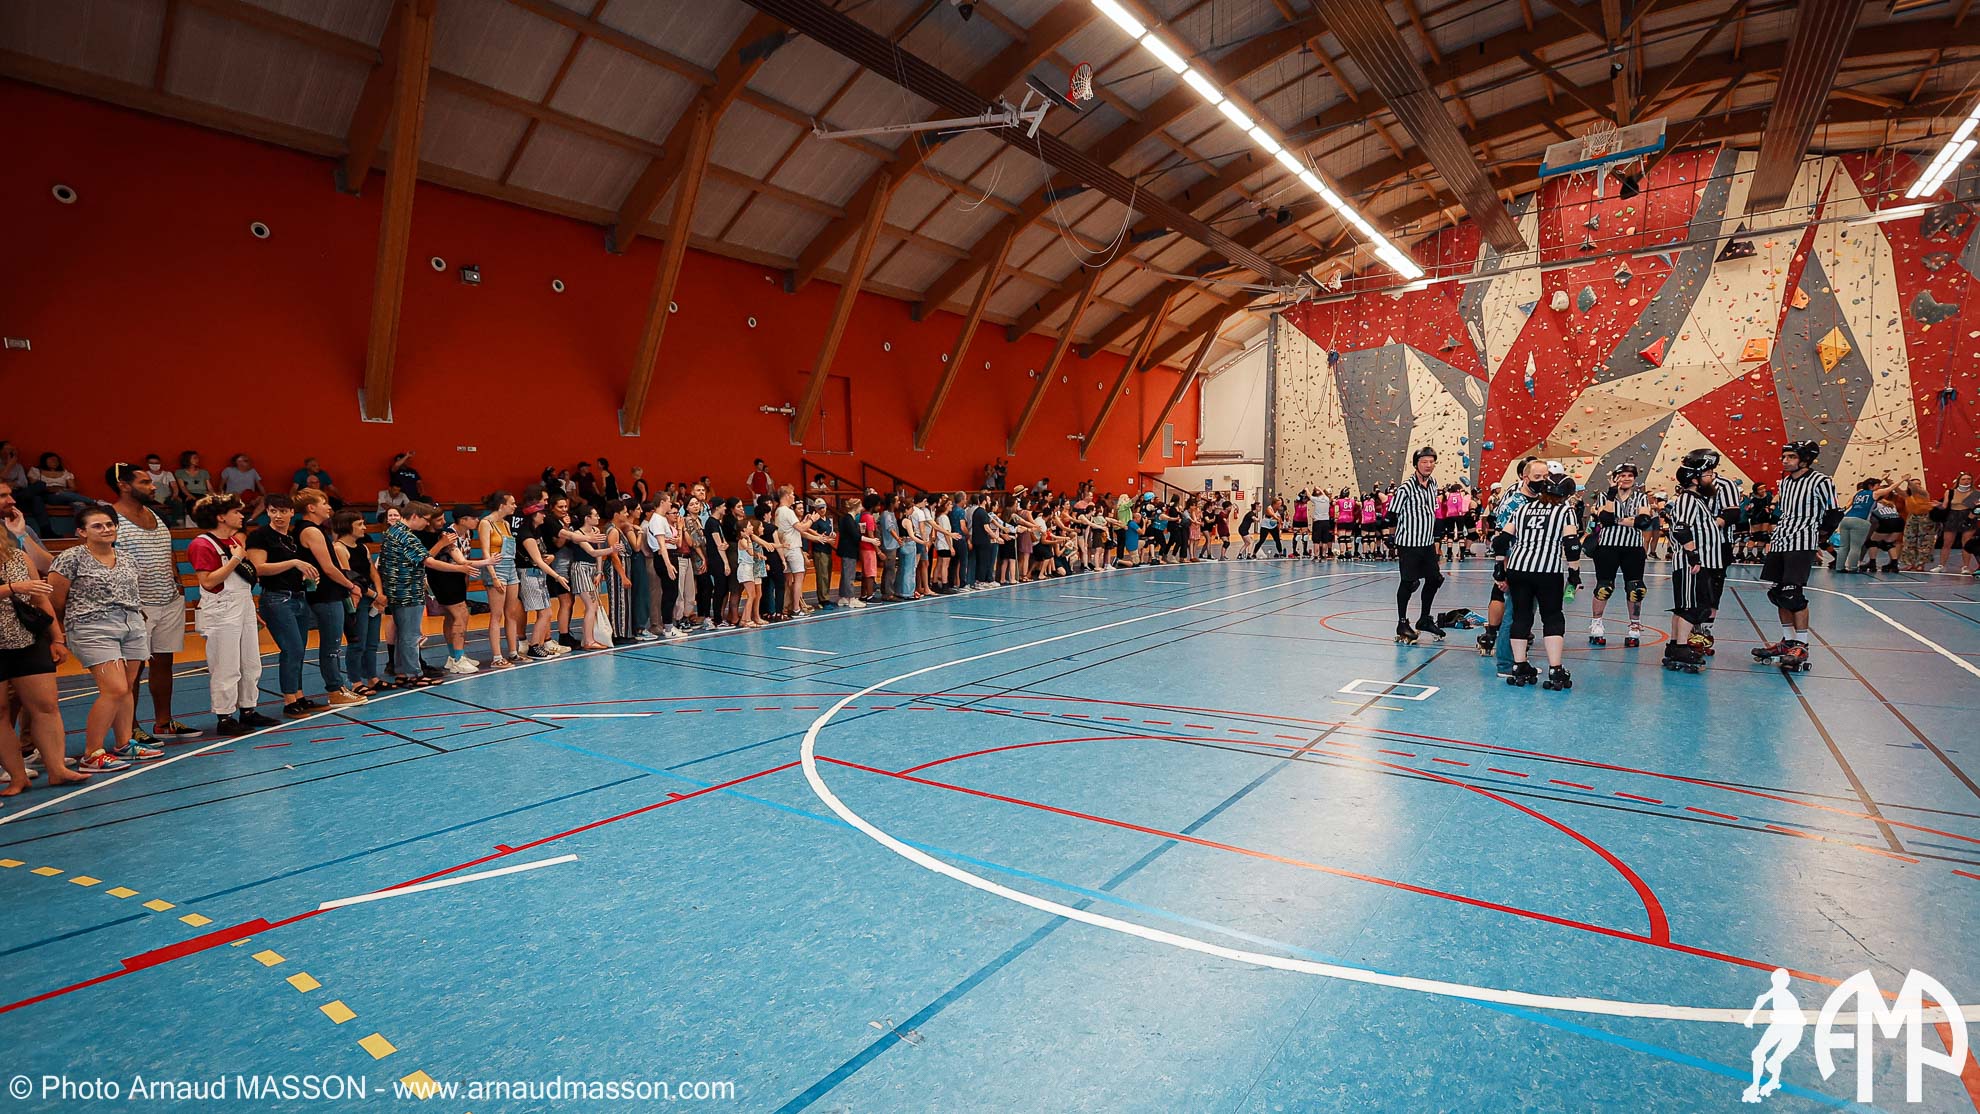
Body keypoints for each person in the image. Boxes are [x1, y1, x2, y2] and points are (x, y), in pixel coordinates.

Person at [48, 505, 165, 768]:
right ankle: (92, 754)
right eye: (97, 526)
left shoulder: (127, 558)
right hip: (92, 628)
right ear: (82, 532)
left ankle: (124, 743)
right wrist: (57, 635)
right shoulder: (70, 558)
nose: (106, 529)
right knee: (114, 689)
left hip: (132, 625)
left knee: (127, 687)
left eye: (110, 524)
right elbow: (55, 601)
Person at [107, 463, 203, 743]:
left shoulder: (156, 515)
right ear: (124, 485)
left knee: (163, 662)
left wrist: (177, 582)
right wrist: (129, 604)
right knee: (133, 670)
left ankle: (164, 722)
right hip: (136, 607)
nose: (153, 487)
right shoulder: (111, 519)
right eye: (145, 482)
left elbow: (168, 551)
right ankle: (130, 728)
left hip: (168, 601)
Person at [0, 518, 89, 796]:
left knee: (46, 706)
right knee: (0, 712)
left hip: (27, 639)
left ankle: (57, 769)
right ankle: (17, 776)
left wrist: (57, 638)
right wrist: (13, 588)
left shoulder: (18, 557)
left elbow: (40, 600)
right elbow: (23, 590)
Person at [187, 494, 277, 734]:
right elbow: (208, 581)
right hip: (221, 608)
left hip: (242, 604)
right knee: (225, 664)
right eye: (236, 512)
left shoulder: (234, 541)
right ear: (220, 517)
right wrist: (235, 559)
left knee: (250, 661)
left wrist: (251, 609)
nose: (241, 515)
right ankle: (225, 716)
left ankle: (248, 709)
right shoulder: (202, 544)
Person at [1752, 441, 1836, 672]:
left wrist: (1820, 537)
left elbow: (1833, 511)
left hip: (1802, 542)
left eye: (1791, 457)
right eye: (1784, 456)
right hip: (1781, 540)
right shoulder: (1786, 482)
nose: (1785, 461)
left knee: (1793, 594)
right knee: (1778, 594)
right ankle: (1788, 642)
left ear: (1805, 459)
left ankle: (1801, 644)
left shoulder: (1821, 481)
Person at [1494, 460, 1578, 691]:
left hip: (1518, 568)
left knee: (1521, 616)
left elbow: (1501, 541)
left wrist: (1499, 568)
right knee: (1552, 618)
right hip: (1547, 570)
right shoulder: (1564, 511)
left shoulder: (1522, 510)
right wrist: (1574, 573)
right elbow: (1571, 544)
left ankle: (1519, 665)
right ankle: (1555, 669)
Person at [245, 494, 320, 716]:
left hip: (298, 597)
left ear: (291, 512)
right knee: (291, 648)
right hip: (276, 599)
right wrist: (294, 563)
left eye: (283, 511)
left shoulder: (292, 538)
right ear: (267, 512)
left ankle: (299, 695)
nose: (278, 516)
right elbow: (258, 568)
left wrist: (308, 576)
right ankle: (289, 700)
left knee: (299, 649)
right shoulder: (260, 536)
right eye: (273, 511)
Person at [292, 490, 368, 706]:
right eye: (323, 503)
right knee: (331, 645)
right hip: (326, 595)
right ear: (311, 508)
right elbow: (328, 567)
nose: (328, 507)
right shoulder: (311, 531)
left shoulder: (310, 530)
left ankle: (335, 687)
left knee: (331, 644)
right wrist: (351, 585)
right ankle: (335, 689)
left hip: (325, 594)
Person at [1661, 452, 1729, 674]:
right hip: (1692, 563)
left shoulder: (1697, 500)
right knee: (1691, 607)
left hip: (1697, 561)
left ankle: (1674, 646)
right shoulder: (1689, 500)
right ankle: (1681, 647)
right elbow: (1681, 528)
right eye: (1708, 474)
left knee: (1685, 606)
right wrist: (1693, 556)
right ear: (1695, 479)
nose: (1712, 478)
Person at [379, 503, 444, 687]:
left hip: (396, 590)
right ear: (415, 516)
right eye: (425, 520)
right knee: (411, 635)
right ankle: (414, 674)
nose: (427, 524)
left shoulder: (391, 532)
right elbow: (428, 561)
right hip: (408, 591)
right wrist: (461, 568)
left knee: (403, 634)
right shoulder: (407, 536)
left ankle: (401, 671)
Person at [1586, 463, 1650, 649]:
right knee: (1604, 587)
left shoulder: (1641, 497)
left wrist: (1616, 520)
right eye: (1622, 475)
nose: (1626, 478)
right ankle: (1596, 624)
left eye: (1630, 475)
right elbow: (1604, 519)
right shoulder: (1605, 496)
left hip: (1633, 548)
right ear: (1615, 478)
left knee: (1636, 588)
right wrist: (1628, 519)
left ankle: (1634, 625)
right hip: (1607, 547)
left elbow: (1643, 521)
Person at [1390, 447, 1445, 642]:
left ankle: (1424, 619)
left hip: (1427, 543)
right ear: (1416, 465)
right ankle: (1402, 623)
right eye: (1424, 462)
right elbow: (1392, 514)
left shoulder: (1433, 484)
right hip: (1409, 543)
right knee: (1408, 582)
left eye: (1431, 461)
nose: (1428, 465)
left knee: (1434, 579)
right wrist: (1391, 538)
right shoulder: (1405, 488)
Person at [428, 506, 490, 668]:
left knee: (451, 617)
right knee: (461, 614)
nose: (477, 520)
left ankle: (453, 656)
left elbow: (465, 558)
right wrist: (487, 562)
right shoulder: (448, 534)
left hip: (458, 577)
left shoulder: (469, 533)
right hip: (444, 577)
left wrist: (465, 579)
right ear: (463, 520)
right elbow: (461, 560)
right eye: (473, 518)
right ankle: (458, 659)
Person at [332, 509, 384, 694]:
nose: (364, 527)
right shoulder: (339, 548)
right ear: (347, 526)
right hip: (356, 599)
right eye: (359, 524)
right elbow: (351, 579)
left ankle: (372, 677)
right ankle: (355, 681)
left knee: (372, 642)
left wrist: (380, 594)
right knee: (357, 643)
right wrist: (375, 595)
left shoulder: (363, 547)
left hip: (371, 597)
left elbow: (372, 572)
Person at [479, 491, 520, 667]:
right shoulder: (485, 523)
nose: (515, 506)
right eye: (512, 503)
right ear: (502, 505)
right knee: (497, 615)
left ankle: (513, 652)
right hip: (496, 569)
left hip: (510, 567)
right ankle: (497, 657)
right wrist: (494, 577)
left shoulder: (506, 524)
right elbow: (485, 552)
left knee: (511, 613)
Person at [29, 452, 95, 535]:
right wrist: (52, 489)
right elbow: (35, 486)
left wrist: (62, 490)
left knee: (79, 504)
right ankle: (94, 501)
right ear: (44, 461)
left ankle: (80, 530)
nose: (54, 462)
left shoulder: (65, 472)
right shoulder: (36, 471)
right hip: (48, 496)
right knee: (61, 494)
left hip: (65, 495)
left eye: (56, 460)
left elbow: (73, 488)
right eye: (51, 460)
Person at [1837, 477, 1893, 575]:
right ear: (1871, 486)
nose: (1879, 487)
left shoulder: (1859, 492)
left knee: (1843, 546)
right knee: (1855, 547)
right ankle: (1853, 568)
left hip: (1846, 519)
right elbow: (1889, 489)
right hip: (1860, 520)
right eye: (1878, 485)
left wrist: (1882, 478)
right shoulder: (1874, 494)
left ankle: (1839, 567)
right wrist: (1902, 480)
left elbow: (1850, 502)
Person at [1932, 472, 1978, 574]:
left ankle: (1965, 567)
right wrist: (1937, 505)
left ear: (1971, 481)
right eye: (1964, 479)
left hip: (1968, 517)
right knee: (1947, 542)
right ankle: (1942, 565)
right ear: (1958, 481)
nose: (1966, 481)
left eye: (1968, 479)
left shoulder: (1975, 493)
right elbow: (1944, 506)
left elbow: (1976, 508)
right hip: (1953, 517)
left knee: (1966, 543)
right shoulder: (1950, 492)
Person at [142, 453, 184, 526]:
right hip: (152, 497)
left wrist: (175, 495)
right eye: (152, 463)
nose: (154, 465)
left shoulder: (168, 474)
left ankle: (175, 523)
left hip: (167, 497)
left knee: (178, 504)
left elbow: (174, 486)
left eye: (156, 463)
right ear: (147, 464)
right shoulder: (145, 474)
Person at [219, 453, 265, 519]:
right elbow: (221, 486)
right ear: (238, 462)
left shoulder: (253, 471)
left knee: (264, 500)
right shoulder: (228, 470)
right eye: (246, 461)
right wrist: (222, 497)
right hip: (234, 496)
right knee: (235, 494)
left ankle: (251, 519)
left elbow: (260, 485)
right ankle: (242, 508)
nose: (249, 462)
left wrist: (265, 496)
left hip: (249, 496)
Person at [174, 451, 212, 525]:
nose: (197, 460)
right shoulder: (180, 472)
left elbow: (209, 487)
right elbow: (182, 486)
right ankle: (196, 523)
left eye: (197, 458)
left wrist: (212, 494)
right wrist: (189, 495)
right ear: (187, 459)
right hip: (189, 493)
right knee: (192, 503)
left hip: (202, 493)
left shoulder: (204, 472)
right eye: (194, 458)